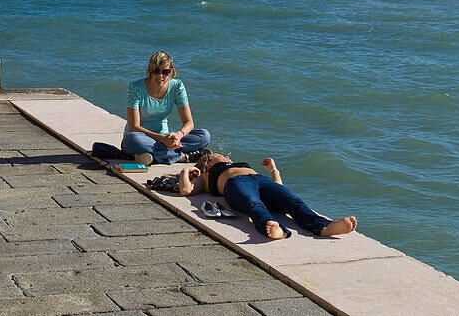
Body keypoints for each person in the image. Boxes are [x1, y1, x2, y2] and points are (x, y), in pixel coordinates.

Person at [179, 153, 358, 240]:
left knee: (292, 200)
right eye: (219, 156)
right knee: (253, 204)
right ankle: (275, 229)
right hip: (235, 183)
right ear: (209, 163)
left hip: (260, 180)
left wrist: (273, 170)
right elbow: (186, 190)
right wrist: (185, 171)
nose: (226, 156)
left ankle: (325, 227)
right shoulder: (209, 175)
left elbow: (278, 188)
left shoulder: (240, 165)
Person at [121, 52, 211, 165]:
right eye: (156, 71)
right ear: (150, 71)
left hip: (165, 138)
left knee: (204, 136)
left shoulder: (177, 86)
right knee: (134, 140)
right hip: (141, 137)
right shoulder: (136, 87)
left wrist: (178, 136)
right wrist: (162, 139)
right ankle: (183, 157)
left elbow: (189, 123)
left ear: (171, 71)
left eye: (165, 71)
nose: (160, 76)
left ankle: (155, 154)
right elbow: (134, 127)